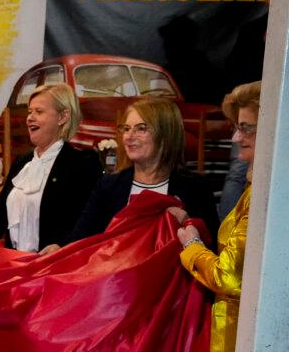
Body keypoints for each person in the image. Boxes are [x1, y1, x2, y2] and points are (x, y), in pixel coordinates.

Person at [172, 81, 260, 352]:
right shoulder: (257, 187)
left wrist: (191, 245)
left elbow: (229, 276)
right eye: (237, 127)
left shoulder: (260, 194)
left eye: (247, 127)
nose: (237, 137)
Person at [0, 83, 102, 268]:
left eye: (39, 111)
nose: (30, 118)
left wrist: (63, 246)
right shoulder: (21, 162)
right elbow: (0, 215)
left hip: (55, 271)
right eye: (29, 112)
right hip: (12, 269)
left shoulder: (83, 164)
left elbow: (92, 222)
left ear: (63, 117)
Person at [58, 97, 219, 250]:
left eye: (141, 128)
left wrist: (188, 222)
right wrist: (59, 250)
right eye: (126, 129)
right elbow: (80, 241)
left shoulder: (196, 189)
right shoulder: (108, 186)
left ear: (166, 133)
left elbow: (213, 255)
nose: (129, 136)